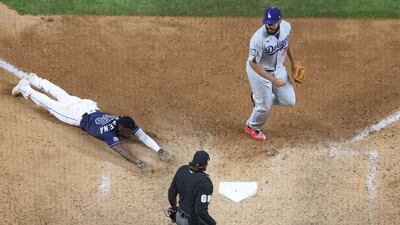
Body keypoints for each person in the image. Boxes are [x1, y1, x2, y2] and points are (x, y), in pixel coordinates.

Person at [11, 73, 168, 168]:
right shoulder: (108, 132)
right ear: (121, 127)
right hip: (75, 115)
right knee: (50, 104)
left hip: (87, 104)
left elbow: (141, 134)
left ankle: (36, 79)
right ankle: (25, 87)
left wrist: (159, 150)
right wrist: (137, 162)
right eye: (127, 131)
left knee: (61, 93)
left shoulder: (123, 120)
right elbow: (120, 150)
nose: (130, 133)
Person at [244, 6, 301, 141]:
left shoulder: (286, 27)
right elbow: (253, 63)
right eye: (267, 23)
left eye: (272, 23)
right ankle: (251, 126)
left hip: (278, 69)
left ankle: (259, 98)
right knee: (264, 107)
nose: (269, 26)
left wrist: (293, 62)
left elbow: (286, 43)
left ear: (280, 21)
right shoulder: (257, 39)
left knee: (289, 101)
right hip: (258, 72)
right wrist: (272, 80)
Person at [167, 150, 216, 225]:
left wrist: (173, 206)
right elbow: (201, 211)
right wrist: (213, 223)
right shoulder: (205, 183)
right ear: (205, 165)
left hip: (179, 217)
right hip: (192, 222)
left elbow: (171, 193)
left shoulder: (182, 170)